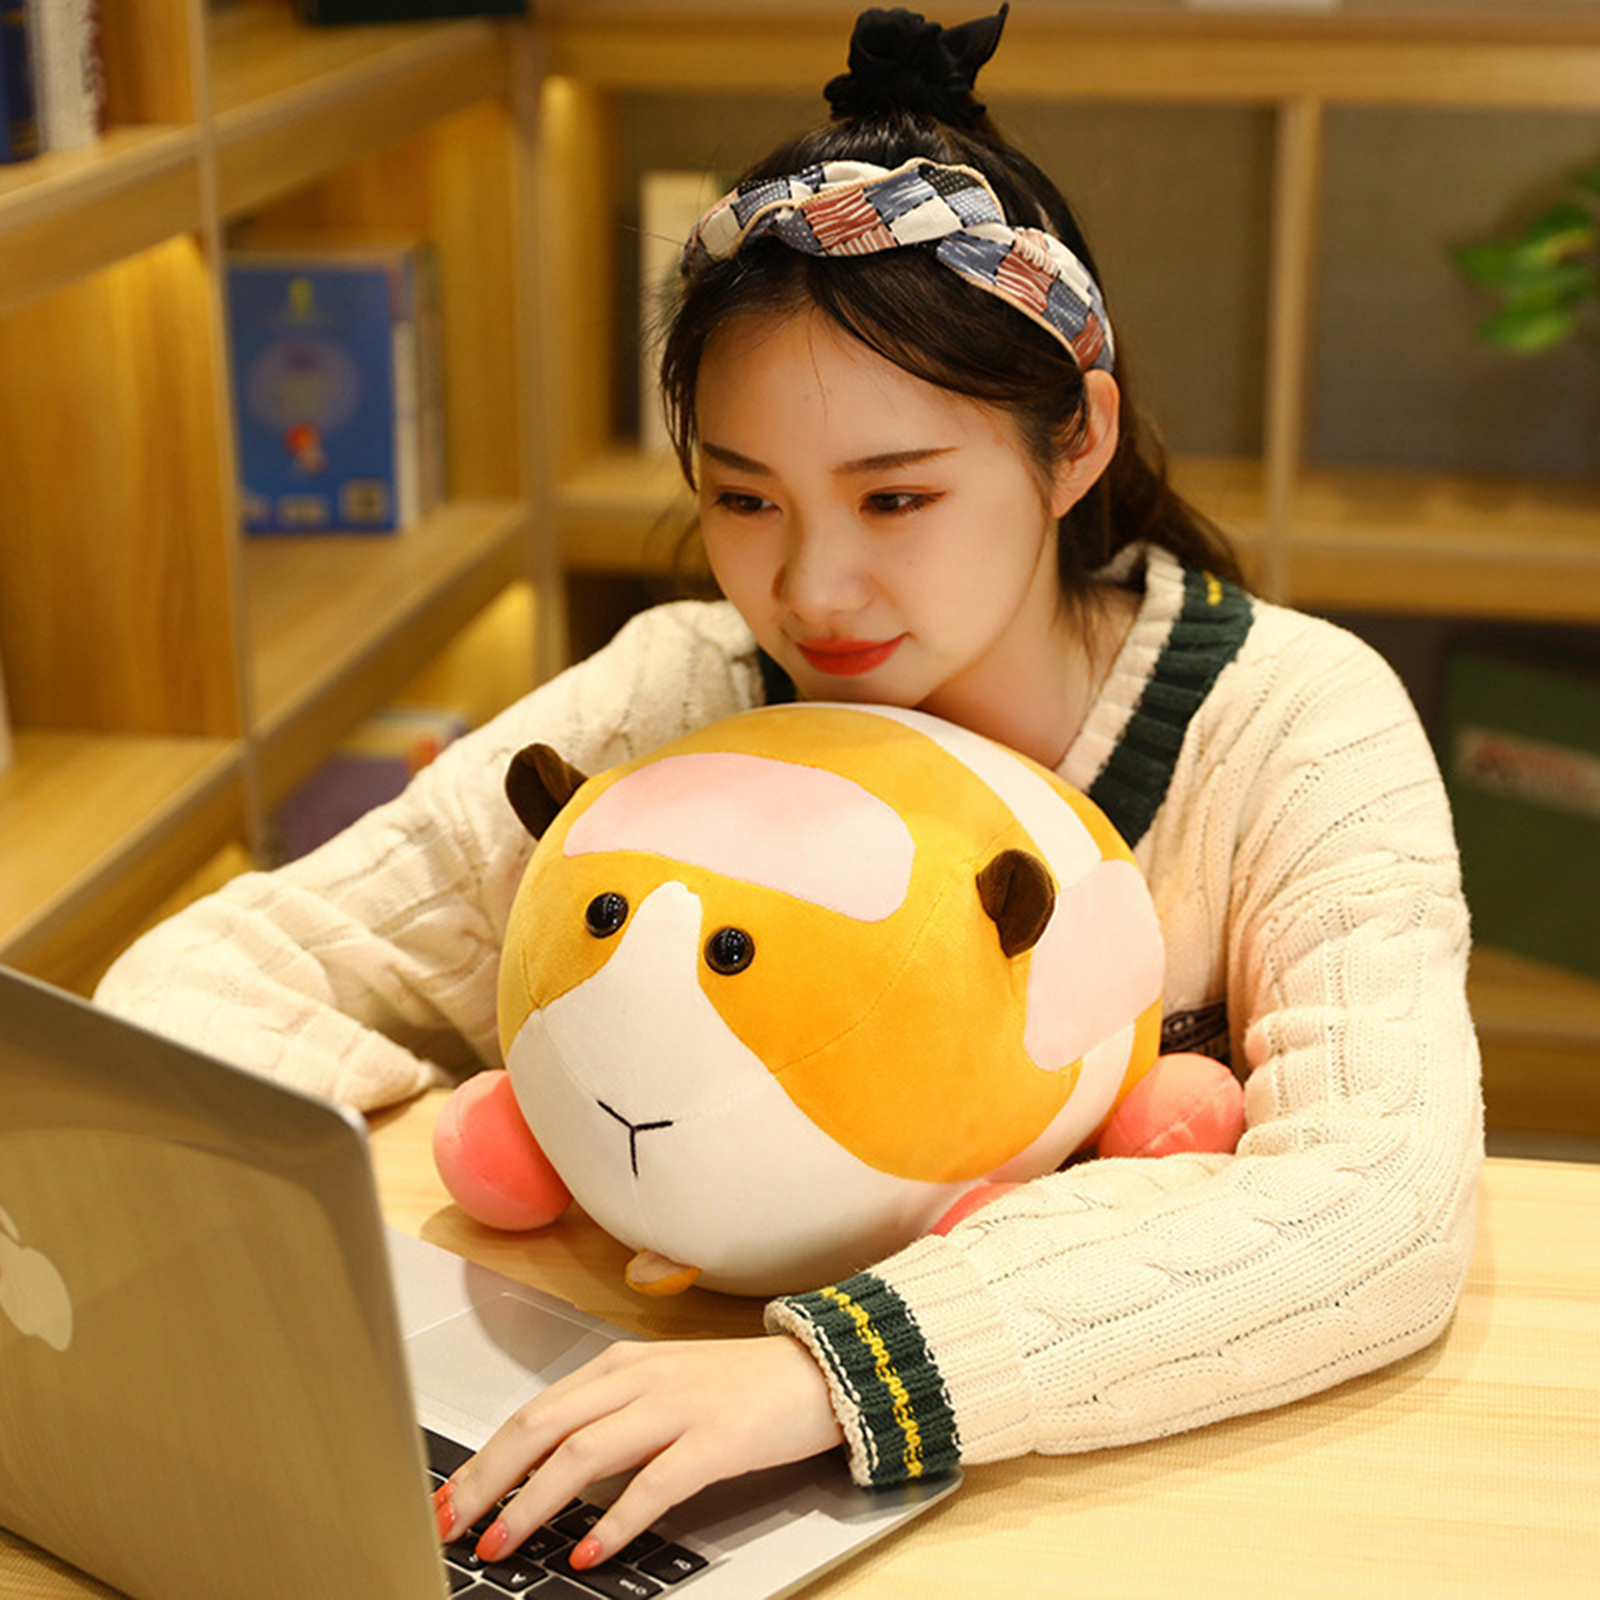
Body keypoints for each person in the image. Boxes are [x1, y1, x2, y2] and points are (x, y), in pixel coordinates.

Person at [94, 2, 1483, 1577]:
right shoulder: (679, 692)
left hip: (1119, 1512)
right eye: (744, 499)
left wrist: (833, 1372)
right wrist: (222, 1276)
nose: (811, 590)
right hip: (653, 1437)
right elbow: (235, 975)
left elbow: (1381, 1205)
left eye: (897, 498)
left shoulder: (1287, 724)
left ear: (1075, 441)